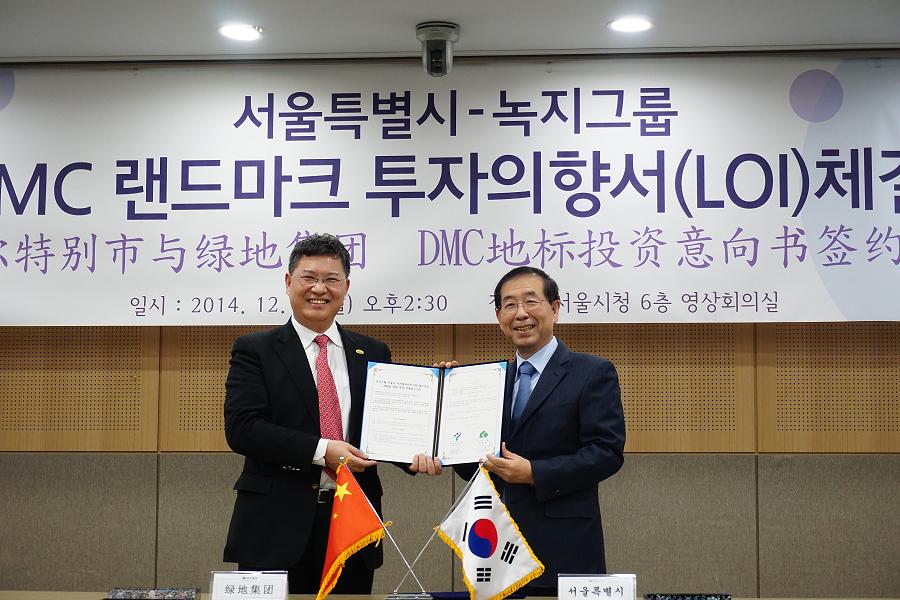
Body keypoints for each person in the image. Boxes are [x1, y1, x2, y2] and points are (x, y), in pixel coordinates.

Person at [223, 233, 441, 594]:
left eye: (331, 279)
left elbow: (386, 427)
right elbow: (243, 429)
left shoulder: (372, 352)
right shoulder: (255, 350)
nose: (319, 289)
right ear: (288, 282)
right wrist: (324, 451)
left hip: (353, 523)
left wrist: (426, 443)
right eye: (309, 277)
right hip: (275, 526)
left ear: (346, 287)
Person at [453, 266, 626, 595]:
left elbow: (606, 453)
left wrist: (534, 473)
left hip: (565, 546)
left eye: (531, 302)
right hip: (496, 548)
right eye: (510, 305)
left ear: (555, 309)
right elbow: (470, 467)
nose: (521, 314)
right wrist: (450, 407)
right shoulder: (490, 381)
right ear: (499, 316)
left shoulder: (592, 372)